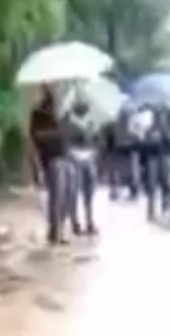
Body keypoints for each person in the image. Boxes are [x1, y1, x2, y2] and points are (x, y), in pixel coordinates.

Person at [29, 86, 73, 244]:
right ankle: (56, 232)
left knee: (68, 196)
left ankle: (58, 227)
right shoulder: (39, 114)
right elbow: (34, 137)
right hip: (50, 158)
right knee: (56, 196)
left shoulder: (64, 114)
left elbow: (69, 134)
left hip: (65, 156)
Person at [65, 97, 99, 236]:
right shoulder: (68, 123)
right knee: (74, 192)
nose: (85, 109)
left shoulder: (90, 123)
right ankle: (75, 222)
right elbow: (66, 144)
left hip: (89, 159)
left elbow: (97, 141)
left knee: (89, 193)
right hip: (75, 159)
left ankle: (89, 221)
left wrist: (93, 152)